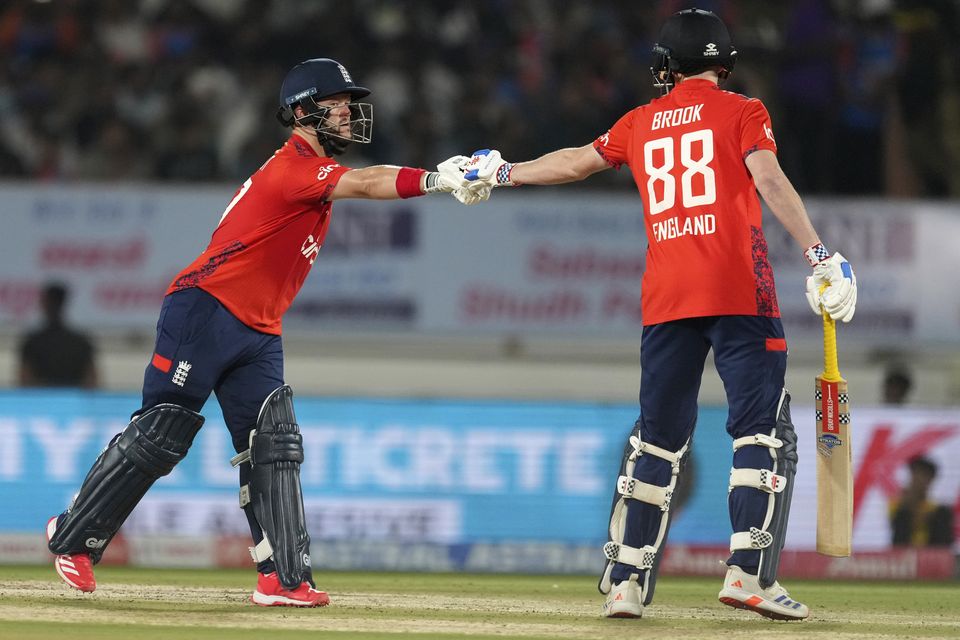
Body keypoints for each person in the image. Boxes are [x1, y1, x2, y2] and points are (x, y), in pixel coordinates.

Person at [457, 8, 857, 621]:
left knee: (658, 441)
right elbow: (770, 179)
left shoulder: (641, 121)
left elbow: (573, 162)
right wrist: (820, 255)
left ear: (670, 65)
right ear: (721, 63)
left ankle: (625, 583)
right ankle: (747, 574)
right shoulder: (744, 111)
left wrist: (503, 170)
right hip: (737, 292)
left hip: (666, 298)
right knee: (760, 432)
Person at [45, 57, 486, 607]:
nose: (350, 116)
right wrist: (438, 178)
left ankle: (283, 577)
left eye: (351, 106)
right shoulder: (294, 167)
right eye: (339, 106)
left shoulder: (313, 173)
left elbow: (360, 180)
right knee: (163, 432)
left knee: (273, 446)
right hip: (204, 309)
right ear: (303, 113)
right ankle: (74, 538)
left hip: (259, 327)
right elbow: (370, 183)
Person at [18, 282, 98, 389]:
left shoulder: (32, 342)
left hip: (40, 402)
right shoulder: (81, 342)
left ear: (47, 304)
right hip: (74, 402)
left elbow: (25, 381)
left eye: (44, 301)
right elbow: (91, 382)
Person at [889, 456, 955, 547]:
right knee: (902, 514)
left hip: (931, 551)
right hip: (905, 552)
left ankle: (940, 557)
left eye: (925, 476)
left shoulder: (936, 509)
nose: (920, 479)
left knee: (943, 514)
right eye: (916, 474)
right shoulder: (897, 504)